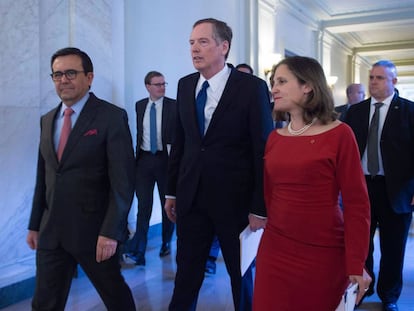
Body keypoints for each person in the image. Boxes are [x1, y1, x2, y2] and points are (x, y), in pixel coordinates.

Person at [164, 18, 274, 311]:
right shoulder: (185, 85)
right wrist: (171, 192)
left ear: (223, 47)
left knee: (241, 276)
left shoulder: (251, 88)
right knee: (186, 274)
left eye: (203, 42)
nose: (194, 49)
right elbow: (182, 143)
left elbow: (262, 150)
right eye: (191, 43)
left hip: (235, 202)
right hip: (192, 199)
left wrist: (259, 206)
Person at [253, 56, 372, 310]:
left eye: (282, 81)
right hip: (275, 248)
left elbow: (357, 204)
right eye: (273, 82)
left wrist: (355, 262)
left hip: (322, 252)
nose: (273, 88)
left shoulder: (340, 134)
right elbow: (270, 193)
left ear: (307, 85)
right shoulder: (275, 138)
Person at [26, 47, 136, 310]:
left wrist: (111, 232)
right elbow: (44, 176)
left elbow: (122, 181)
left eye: (71, 73)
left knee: (115, 297)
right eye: (57, 74)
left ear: (89, 77)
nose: (63, 80)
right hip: (52, 231)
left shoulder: (110, 116)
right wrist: (34, 224)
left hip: (95, 233)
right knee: (44, 302)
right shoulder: (47, 120)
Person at [345, 60, 414, 311]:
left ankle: (390, 296)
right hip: (361, 188)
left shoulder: (409, 111)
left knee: (393, 247)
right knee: (361, 245)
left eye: (380, 78)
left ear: (394, 82)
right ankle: (364, 287)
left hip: (397, 191)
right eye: (372, 77)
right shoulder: (355, 112)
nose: (373, 82)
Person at [123, 71, 176, 266]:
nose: (162, 87)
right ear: (148, 86)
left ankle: (166, 242)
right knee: (143, 207)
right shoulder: (139, 106)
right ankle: (139, 251)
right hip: (144, 161)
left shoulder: (173, 106)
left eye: (164, 84)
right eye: (157, 84)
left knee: (167, 205)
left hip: (165, 161)